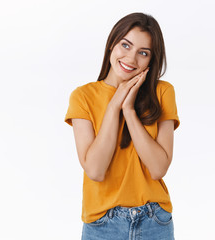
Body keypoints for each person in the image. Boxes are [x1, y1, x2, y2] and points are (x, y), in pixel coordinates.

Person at [64, 12, 180, 240]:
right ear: (111, 45)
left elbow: (158, 168)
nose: (131, 58)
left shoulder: (162, 92)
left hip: (154, 220)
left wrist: (129, 110)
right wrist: (115, 104)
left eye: (143, 53)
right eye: (125, 45)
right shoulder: (83, 96)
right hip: (101, 224)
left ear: (151, 60)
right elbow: (95, 170)